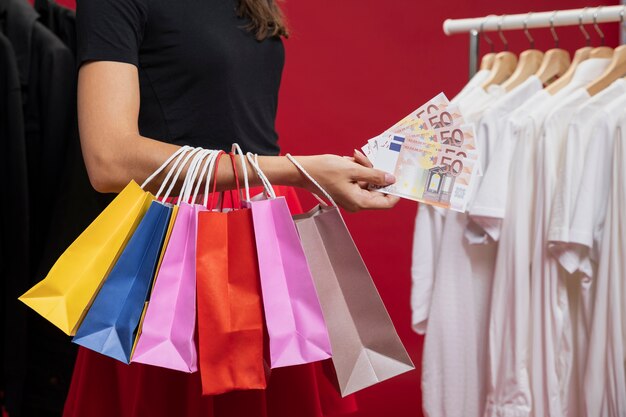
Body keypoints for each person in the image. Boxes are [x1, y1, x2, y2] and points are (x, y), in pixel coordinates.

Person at [64, 0, 399, 416]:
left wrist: (311, 173)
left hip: (267, 235)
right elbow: (109, 159)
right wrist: (298, 170)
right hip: (178, 250)